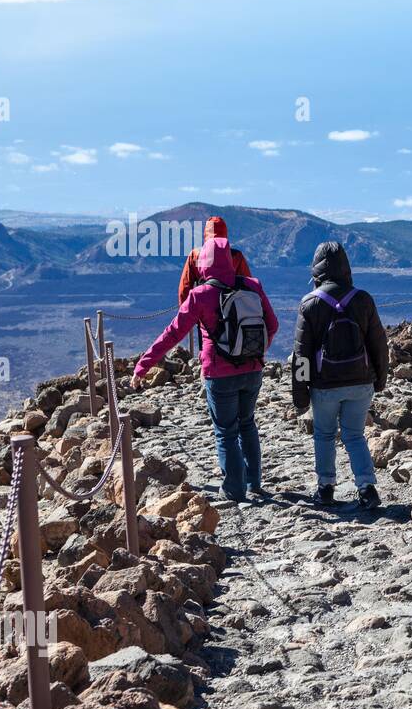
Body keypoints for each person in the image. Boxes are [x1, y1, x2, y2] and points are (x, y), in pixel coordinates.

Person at [132, 236, 279, 501]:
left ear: (204, 264)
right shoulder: (252, 285)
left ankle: (234, 489)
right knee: (247, 424)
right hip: (253, 370)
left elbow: (173, 333)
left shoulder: (200, 295)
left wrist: (143, 365)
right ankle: (254, 482)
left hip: (219, 373)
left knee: (226, 431)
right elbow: (273, 324)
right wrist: (256, 352)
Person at [290, 241, 389, 509]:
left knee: (323, 435)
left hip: (325, 386)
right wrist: (380, 378)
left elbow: (301, 354)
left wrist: (300, 395)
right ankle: (367, 489)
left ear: (316, 269)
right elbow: (379, 343)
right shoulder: (363, 299)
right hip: (360, 382)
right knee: (354, 436)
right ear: (346, 267)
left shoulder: (309, 303)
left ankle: (325, 489)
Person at [177, 216, 252, 305]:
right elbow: (248, 285)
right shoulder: (236, 255)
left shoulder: (195, 255)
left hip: (202, 306)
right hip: (230, 308)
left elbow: (185, 287)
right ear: (225, 233)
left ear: (205, 233)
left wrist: (185, 311)